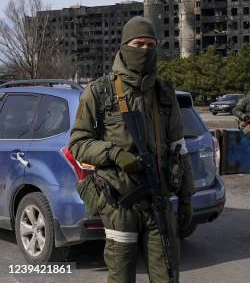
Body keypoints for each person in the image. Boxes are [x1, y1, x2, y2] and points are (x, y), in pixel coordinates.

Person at [70, 16, 194, 283]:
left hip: (158, 202)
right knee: (122, 277)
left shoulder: (164, 92)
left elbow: (178, 148)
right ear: (125, 46)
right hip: (120, 203)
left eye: (151, 45)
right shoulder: (99, 92)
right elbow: (79, 143)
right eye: (139, 44)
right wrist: (114, 154)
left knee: (167, 276)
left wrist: (186, 197)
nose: (145, 50)